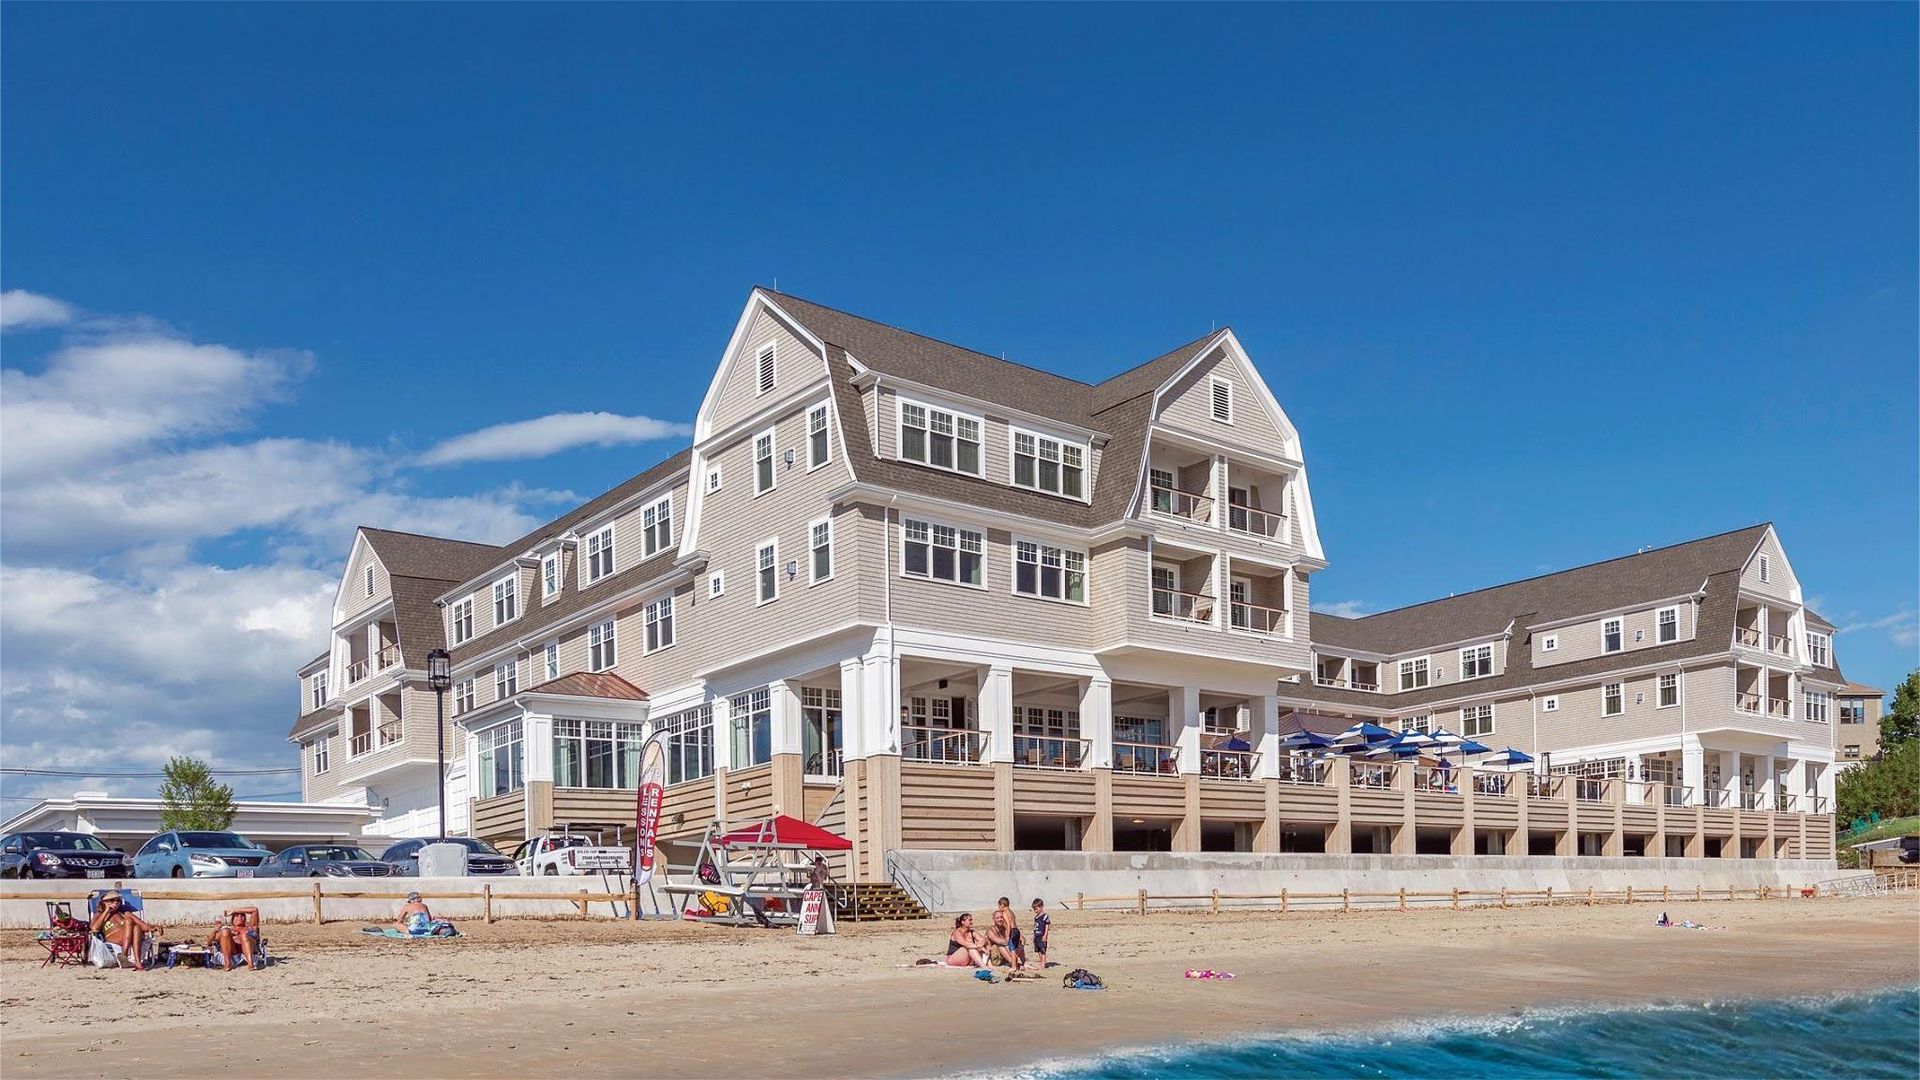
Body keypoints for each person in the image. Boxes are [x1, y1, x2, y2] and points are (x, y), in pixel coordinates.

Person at [89, 891, 160, 970]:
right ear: (104, 902)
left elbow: (144, 926)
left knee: (136, 927)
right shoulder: (99, 915)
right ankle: (126, 955)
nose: (116, 903)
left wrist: (154, 927)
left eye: (118, 900)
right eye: (112, 900)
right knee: (129, 921)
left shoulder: (124, 913)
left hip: (130, 938)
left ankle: (136, 961)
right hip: (113, 938)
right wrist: (106, 911)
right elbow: (94, 929)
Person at [990, 896, 1024, 968]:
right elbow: (1014, 923)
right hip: (1016, 930)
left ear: (1002, 905)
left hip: (1012, 931)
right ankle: (1021, 962)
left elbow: (1008, 925)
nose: (999, 908)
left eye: (999, 906)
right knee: (1016, 948)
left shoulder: (1005, 913)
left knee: (1012, 950)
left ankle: (1014, 966)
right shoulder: (1011, 912)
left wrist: (1008, 935)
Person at [1030, 898, 1050, 969]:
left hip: (1042, 935)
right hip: (1037, 935)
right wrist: (1034, 936)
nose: (1035, 911)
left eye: (1037, 909)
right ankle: (1041, 961)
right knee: (1038, 950)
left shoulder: (1045, 917)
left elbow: (1047, 926)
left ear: (1041, 907)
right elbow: (1035, 927)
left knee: (1043, 950)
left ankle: (1043, 964)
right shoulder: (1036, 917)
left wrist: (1045, 935)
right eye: (1034, 909)